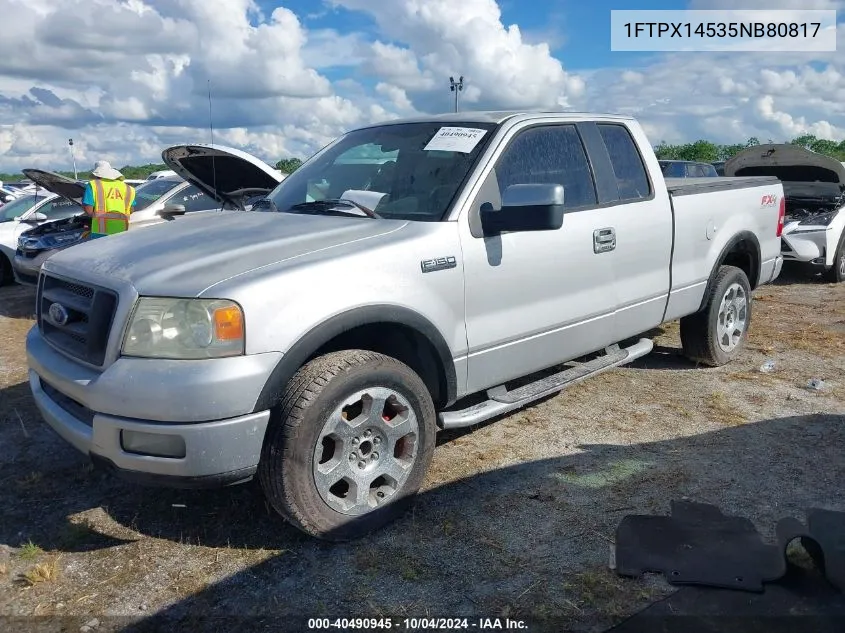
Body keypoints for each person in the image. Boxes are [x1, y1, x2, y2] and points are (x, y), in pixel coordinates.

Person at [81, 160, 136, 239]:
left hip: (100, 232)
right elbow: (131, 210)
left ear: (97, 174)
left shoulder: (93, 185)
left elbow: (88, 210)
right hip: (122, 230)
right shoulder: (128, 188)